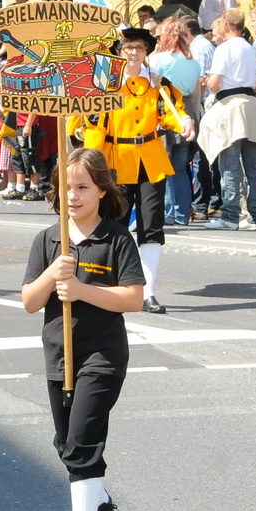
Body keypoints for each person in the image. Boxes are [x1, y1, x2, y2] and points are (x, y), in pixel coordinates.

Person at [21, 147, 144, 511]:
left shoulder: (116, 238)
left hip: (102, 356)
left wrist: (81, 289)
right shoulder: (48, 240)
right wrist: (53, 273)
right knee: (67, 444)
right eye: (66, 187)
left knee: (82, 444)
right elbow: (29, 302)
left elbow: (134, 298)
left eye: (82, 187)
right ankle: (101, 501)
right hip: (60, 356)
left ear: (101, 190)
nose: (72, 196)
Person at [81, 28, 190, 313]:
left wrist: (184, 121)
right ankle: (116, 284)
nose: (133, 53)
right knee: (115, 224)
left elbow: (171, 113)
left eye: (139, 48)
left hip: (151, 161)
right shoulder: (105, 84)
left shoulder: (158, 83)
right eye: (128, 47)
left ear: (146, 52)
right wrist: (91, 161)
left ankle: (148, 292)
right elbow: (95, 124)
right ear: (119, 51)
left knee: (151, 226)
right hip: (115, 160)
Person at [197, 9, 256, 231]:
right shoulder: (251, 48)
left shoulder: (224, 48)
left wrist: (208, 81)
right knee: (253, 167)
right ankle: (255, 217)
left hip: (230, 106)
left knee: (229, 164)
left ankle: (230, 216)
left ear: (225, 26)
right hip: (252, 106)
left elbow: (214, 84)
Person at [148, 21, 202, 227]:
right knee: (180, 167)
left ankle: (168, 211)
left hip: (165, 108)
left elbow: (152, 85)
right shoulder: (194, 63)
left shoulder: (160, 59)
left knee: (165, 164)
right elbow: (196, 95)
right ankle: (181, 213)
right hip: (187, 109)